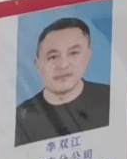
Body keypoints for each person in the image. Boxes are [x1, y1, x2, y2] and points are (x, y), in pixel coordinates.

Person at [14, 14, 114, 143]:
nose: (63, 65)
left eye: (73, 53)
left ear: (88, 55)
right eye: (53, 57)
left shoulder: (113, 99)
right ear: (37, 65)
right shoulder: (19, 119)